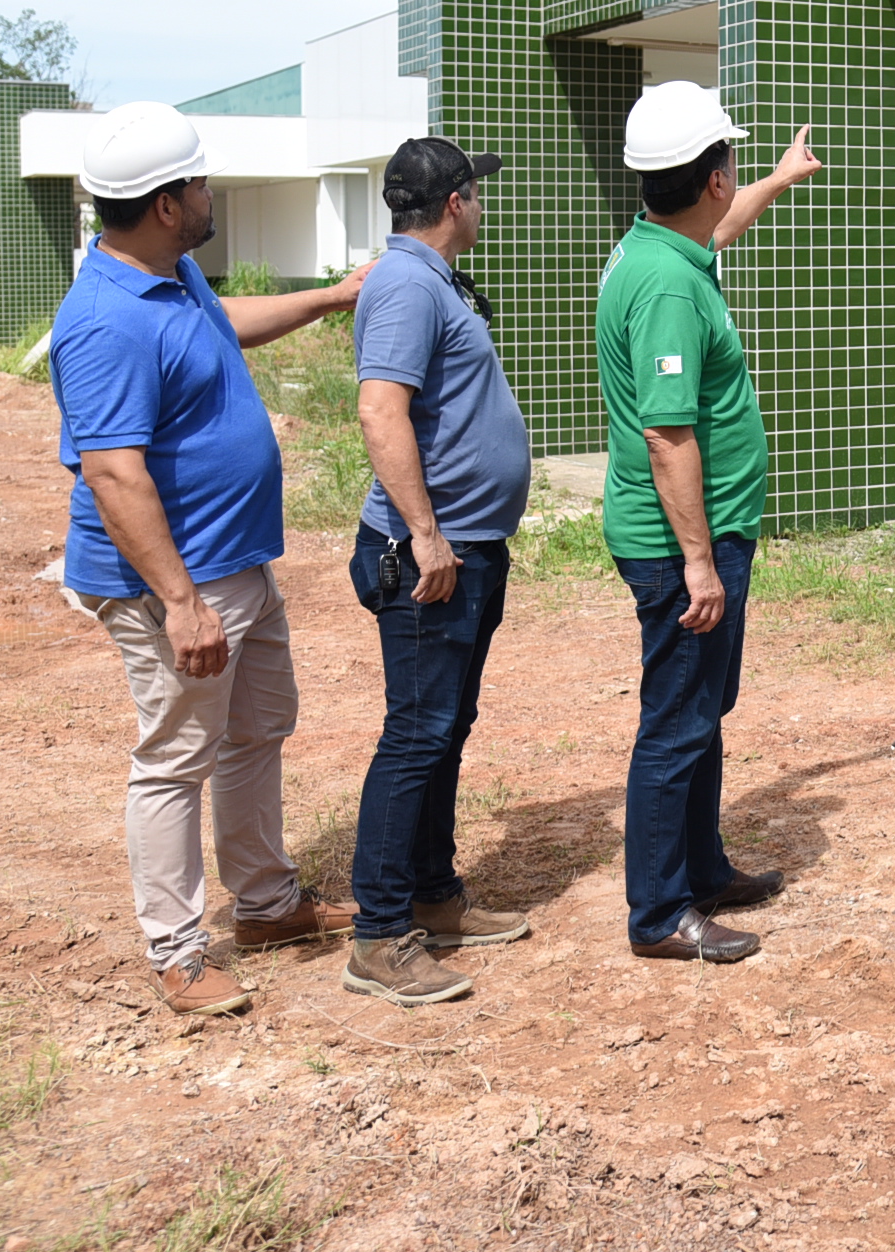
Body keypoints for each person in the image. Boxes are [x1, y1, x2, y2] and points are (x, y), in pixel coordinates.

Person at [48, 101, 368, 1017]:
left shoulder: (172, 274)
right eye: (199, 183)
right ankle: (178, 953)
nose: (208, 193)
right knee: (175, 758)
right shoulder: (104, 321)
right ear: (164, 204)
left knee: (257, 728)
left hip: (237, 562)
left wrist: (331, 297)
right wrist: (181, 604)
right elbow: (113, 474)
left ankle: (266, 904)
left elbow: (222, 321)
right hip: (177, 584)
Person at [599, 83, 820, 964]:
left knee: (701, 709)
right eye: (733, 162)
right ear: (712, 175)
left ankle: (701, 867)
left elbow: (722, 227)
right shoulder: (667, 286)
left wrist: (780, 179)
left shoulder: (665, 247)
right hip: (682, 545)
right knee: (678, 718)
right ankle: (659, 911)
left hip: (701, 535)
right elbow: (667, 433)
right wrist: (698, 561)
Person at [340, 137, 536, 1006]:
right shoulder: (407, 286)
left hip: (466, 545)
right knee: (417, 733)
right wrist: (425, 534)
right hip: (433, 554)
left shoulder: (429, 280)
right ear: (455, 202)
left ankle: (432, 893)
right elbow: (381, 411)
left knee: (444, 727)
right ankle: (379, 935)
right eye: (477, 194)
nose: (483, 206)